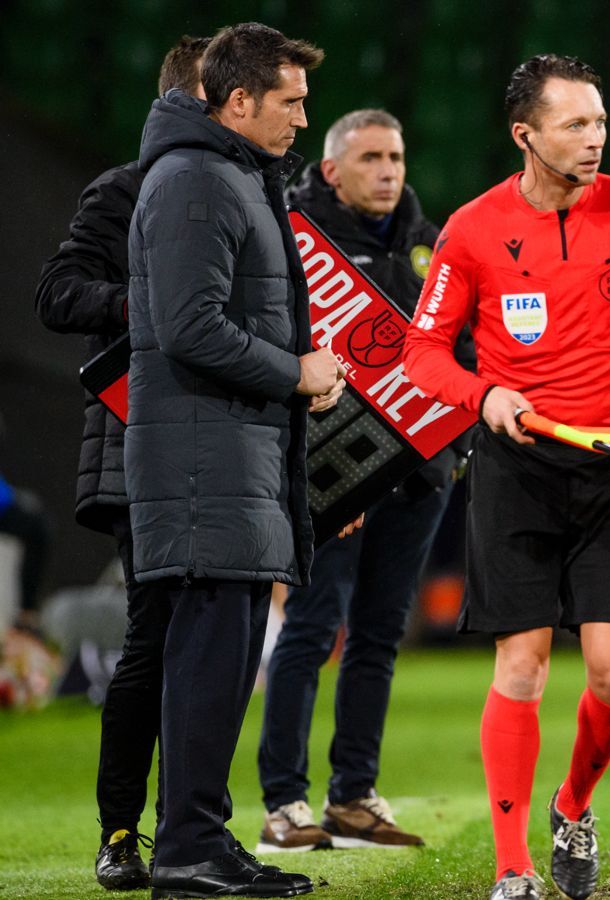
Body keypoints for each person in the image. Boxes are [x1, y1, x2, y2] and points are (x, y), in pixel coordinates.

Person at [402, 54, 610, 900]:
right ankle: (513, 868)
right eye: (575, 124)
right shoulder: (471, 230)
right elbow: (421, 352)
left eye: (600, 122)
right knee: (523, 665)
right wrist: (484, 394)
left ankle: (573, 805)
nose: (595, 139)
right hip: (517, 465)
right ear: (525, 134)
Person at [126, 22, 337, 898]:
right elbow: (188, 326)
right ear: (238, 100)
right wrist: (294, 372)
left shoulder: (229, 175)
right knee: (209, 657)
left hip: (232, 453)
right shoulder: (196, 180)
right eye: (288, 101)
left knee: (222, 654)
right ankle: (187, 846)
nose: (300, 117)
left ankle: (199, 839)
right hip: (204, 460)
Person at [255, 108, 459, 854]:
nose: (388, 172)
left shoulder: (430, 245)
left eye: (397, 157)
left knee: (377, 635)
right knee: (310, 632)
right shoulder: (294, 240)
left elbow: (459, 347)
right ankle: (284, 802)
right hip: (331, 475)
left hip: (417, 472)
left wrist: (451, 446)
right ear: (334, 170)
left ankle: (352, 795)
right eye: (371, 157)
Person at [33, 35, 207, 892]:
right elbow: (58, 293)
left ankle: (190, 828)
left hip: (224, 448)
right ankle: (120, 830)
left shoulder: (255, 193)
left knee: (210, 641)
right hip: (135, 445)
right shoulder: (125, 190)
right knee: (155, 635)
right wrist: (153, 307)